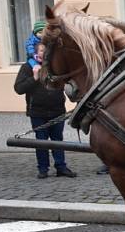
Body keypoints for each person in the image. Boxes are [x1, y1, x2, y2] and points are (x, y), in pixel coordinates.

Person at [14, 42, 77, 179]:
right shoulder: (28, 67)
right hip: (38, 112)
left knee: (57, 140)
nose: (44, 53)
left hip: (57, 111)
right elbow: (19, 88)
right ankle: (43, 169)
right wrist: (34, 78)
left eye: (46, 50)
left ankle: (61, 167)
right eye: (42, 50)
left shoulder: (55, 67)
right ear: (36, 52)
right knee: (41, 141)